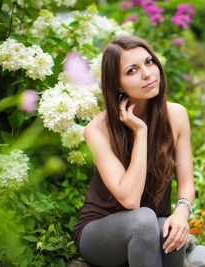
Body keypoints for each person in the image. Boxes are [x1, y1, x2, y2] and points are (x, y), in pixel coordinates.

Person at [73, 35, 195, 267]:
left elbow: (186, 183)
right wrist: (141, 132)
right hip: (101, 231)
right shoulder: (98, 130)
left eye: (149, 62)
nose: (147, 74)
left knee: (165, 228)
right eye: (132, 71)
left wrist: (181, 212)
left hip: (150, 226)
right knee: (144, 219)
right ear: (117, 84)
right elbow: (130, 200)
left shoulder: (177, 115)